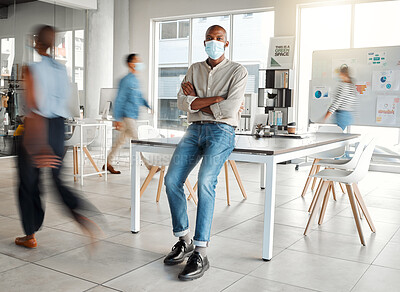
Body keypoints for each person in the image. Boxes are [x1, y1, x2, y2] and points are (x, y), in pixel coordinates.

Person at [163, 25, 248, 280]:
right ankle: (184, 240)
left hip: (222, 132)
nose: (214, 42)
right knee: (171, 180)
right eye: (210, 39)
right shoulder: (194, 69)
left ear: (227, 43)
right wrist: (215, 99)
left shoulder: (238, 71)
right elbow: (181, 102)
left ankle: (201, 251)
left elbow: (231, 109)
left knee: (205, 181)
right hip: (194, 129)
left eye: (219, 39)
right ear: (204, 43)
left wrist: (198, 100)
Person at [15, 25, 101, 248]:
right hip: (57, 128)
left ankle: (30, 234)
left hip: (37, 129)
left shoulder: (31, 69)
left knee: (28, 183)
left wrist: (38, 143)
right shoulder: (61, 70)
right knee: (57, 181)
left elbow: (33, 106)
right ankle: (82, 216)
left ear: (36, 42)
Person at [103, 54, 152, 174]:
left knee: (119, 141)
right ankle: (150, 166)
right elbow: (119, 99)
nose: (140, 62)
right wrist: (117, 118)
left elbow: (139, 97)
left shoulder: (136, 79)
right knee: (138, 140)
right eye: (137, 60)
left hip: (133, 116)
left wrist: (148, 106)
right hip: (127, 116)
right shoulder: (126, 80)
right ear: (131, 64)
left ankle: (108, 163)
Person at [324, 64, 357, 130]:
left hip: (342, 115)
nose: (339, 76)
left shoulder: (344, 86)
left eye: (340, 74)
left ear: (343, 74)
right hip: (347, 115)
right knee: (340, 135)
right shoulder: (351, 85)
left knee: (337, 136)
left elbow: (337, 102)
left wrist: (325, 117)